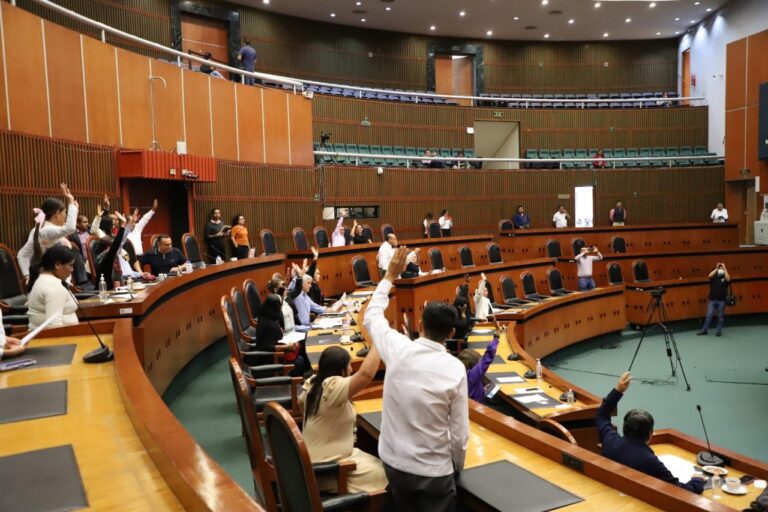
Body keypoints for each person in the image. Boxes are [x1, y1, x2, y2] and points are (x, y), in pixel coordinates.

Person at [363, 247, 469, 511]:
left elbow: (372, 315)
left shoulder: (398, 348)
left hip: (394, 465)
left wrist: (389, 275)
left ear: (420, 325)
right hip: (434, 474)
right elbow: (459, 435)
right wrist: (456, 466)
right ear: (452, 333)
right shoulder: (455, 369)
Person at [597, 372, 705, 494]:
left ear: (624, 427)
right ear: (650, 433)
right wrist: (697, 480)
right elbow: (680, 492)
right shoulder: (649, 460)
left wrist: (617, 390)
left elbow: (602, 415)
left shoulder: (610, 440)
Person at [300, 345, 388, 493]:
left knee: (377, 459)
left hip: (316, 462)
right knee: (387, 475)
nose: (351, 370)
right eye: (349, 365)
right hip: (328, 470)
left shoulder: (314, 384)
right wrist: (379, 341)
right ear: (341, 371)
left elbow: (302, 405)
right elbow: (365, 374)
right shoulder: (332, 388)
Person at [17, 183, 78, 283]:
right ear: (58, 214)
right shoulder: (47, 230)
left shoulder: (42, 229)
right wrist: (28, 277)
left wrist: (74, 209)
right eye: (65, 213)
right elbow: (70, 228)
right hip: (51, 281)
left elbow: (21, 255)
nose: (66, 216)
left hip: (55, 279)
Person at [26, 244, 79, 329]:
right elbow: (54, 326)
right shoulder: (54, 286)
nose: (72, 270)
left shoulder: (42, 279)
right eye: (70, 265)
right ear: (57, 264)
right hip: (54, 339)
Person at [255, 294, 305, 376]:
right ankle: (292, 383)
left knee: (300, 355)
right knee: (299, 361)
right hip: (270, 359)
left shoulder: (268, 316)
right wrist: (286, 347)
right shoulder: (268, 325)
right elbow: (266, 347)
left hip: (277, 352)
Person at [458, 335, 499, 404]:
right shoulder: (471, 376)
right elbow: (488, 356)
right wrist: (496, 339)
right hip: (478, 410)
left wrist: (482, 389)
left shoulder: (459, 374)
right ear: (473, 364)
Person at [697, 262, 730, 337]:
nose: (720, 270)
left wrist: (724, 268)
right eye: (720, 269)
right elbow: (709, 275)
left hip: (721, 300)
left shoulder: (725, 278)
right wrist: (717, 268)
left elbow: (729, 279)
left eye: (722, 269)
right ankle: (704, 330)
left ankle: (718, 331)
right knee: (709, 315)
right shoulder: (714, 277)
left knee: (720, 316)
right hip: (712, 300)